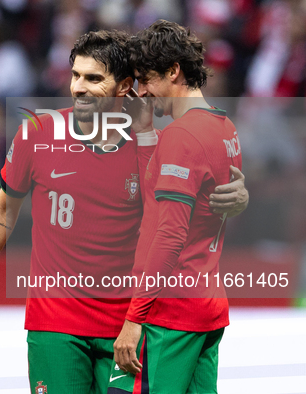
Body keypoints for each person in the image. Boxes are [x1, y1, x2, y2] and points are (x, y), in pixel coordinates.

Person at [0, 30, 248, 394]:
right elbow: (3, 209)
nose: (79, 87)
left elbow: (174, 215)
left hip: (126, 328)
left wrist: (237, 199)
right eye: (75, 75)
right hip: (55, 324)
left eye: (94, 79)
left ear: (125, 86)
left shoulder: (153, 141)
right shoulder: (37, 132)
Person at [110, 20, 243, 393]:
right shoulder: (224, 128)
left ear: (173, 71)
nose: (142, 92)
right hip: (206, 306)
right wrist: (147, 133)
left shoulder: (182, 139)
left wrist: (135, 319)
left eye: (146, 79)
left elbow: (169, 235)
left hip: (169, 312)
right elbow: (162, 196)